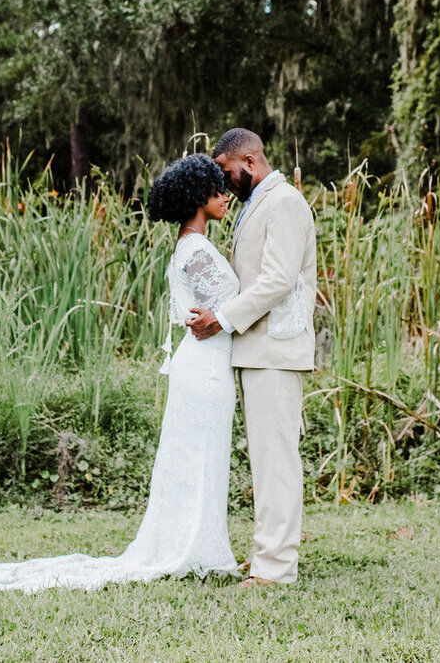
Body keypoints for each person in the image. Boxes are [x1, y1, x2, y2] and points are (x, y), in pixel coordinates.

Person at [0, 154, 241, 591]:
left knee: (199, 459)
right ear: (196, 196)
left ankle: (200, 548)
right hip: (205, 367)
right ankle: (191, 550)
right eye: (215, 189)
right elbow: (224, 309)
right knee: (197, 459)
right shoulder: (196, 250)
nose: (224, 196)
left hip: (205, 365)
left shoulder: (191, 247)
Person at [187, 127, 316, 588]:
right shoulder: (256, 206)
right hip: (258, 351)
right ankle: (267, 552)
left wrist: (222, 317)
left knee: (275, 460)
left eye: (225, 171)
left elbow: (279, 279)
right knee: (265, 460)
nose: (223, 184)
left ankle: (276, 569)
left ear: (249, 160)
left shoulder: (284, 203)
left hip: (276, 351)